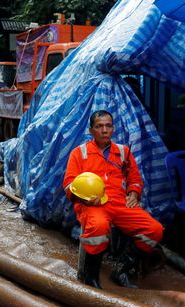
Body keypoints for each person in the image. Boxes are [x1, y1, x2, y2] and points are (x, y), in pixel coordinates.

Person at [63, 110, 164, 289]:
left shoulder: (123, 152)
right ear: (91, 131)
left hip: (120, 203)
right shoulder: (80, 153)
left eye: (108, 126)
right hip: (92, 205)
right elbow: (68, 184)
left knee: (154, 230)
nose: (104, 130)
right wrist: (83, 199)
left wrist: (133, 194)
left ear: (113, 129)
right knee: (99, 227)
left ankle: (123, 270)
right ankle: (91, 275)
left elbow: (135, 179)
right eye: (99, 126)